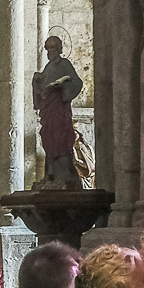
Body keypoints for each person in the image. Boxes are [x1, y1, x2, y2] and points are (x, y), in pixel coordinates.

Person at [32, 37, 85, 187]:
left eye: (53, 48)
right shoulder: (48, 67)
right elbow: (42, 92)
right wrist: (37, 81)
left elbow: (76, 82)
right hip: (49, 111)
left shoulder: (65, 65)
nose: (50, 51)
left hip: (59, 111)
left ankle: (65, 174)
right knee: (49, 138)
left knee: (60, 139)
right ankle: (51, 173)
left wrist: (62, 88)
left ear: (60, 49)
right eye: (47, 48)